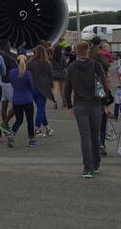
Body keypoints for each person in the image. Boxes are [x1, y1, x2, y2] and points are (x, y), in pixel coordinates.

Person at [63, 40, 106, 178]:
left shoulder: (71, 67)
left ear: (76, 51)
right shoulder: (96, 65)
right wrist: (104, 102)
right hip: (95, 103)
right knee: (95, 134)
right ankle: (96, 163)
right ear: (88, 51)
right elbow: (102, 85)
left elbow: (67, 87)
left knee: (85, 136)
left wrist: (69, 105)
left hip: (80, 103)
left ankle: (87, 168)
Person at [6, 53, 34, 148]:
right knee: (29, 120)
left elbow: (12, 83)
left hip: (16, 99)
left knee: (19, 120)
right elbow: (31, 86)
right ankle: (31, 139)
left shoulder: (12, 72)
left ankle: (12, 134)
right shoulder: (27, 73)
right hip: (27, 98)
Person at [26, 44, 54, 140]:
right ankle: (37, 129)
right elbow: (51, 75)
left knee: (40, 109)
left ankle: (47, 127)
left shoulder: (30, 62)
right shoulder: (47, 63)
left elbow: (26, 72)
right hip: (43, 88)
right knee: (40, 109)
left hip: (33, 88)